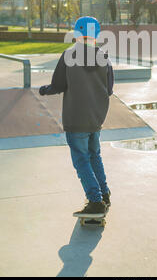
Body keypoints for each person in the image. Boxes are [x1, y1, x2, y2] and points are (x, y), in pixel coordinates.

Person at [39, 16, 114, 218]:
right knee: (94, 155)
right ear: (97, 35)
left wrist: (44, 90)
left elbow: (58, 85)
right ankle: (104, 194)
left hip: (76, 117)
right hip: (96, 117)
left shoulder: (69, 55)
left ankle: (96, 201)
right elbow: (109, 89)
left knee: (81, 160)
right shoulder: (104, 57)